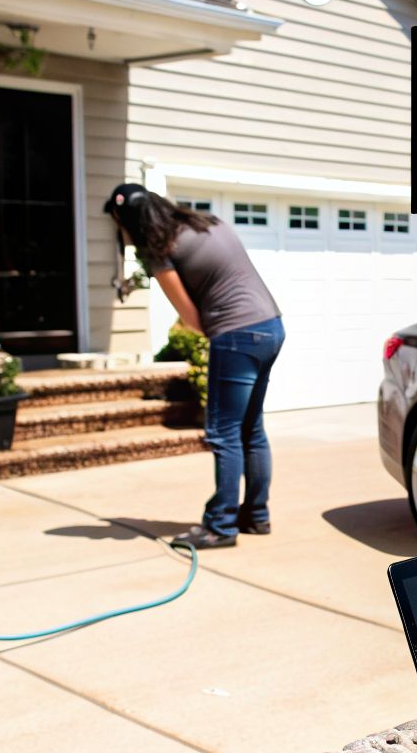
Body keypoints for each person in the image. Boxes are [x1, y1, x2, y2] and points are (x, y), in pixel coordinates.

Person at [105, 184, 284, 549]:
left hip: (236, 334)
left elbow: (190, 317)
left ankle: (220, 526)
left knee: (224, 433)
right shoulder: (206, 223)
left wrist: (217, 337)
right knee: (251, 429)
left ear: (128, 220)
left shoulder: (158, 249)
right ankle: (257, 516)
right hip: (271, 327)